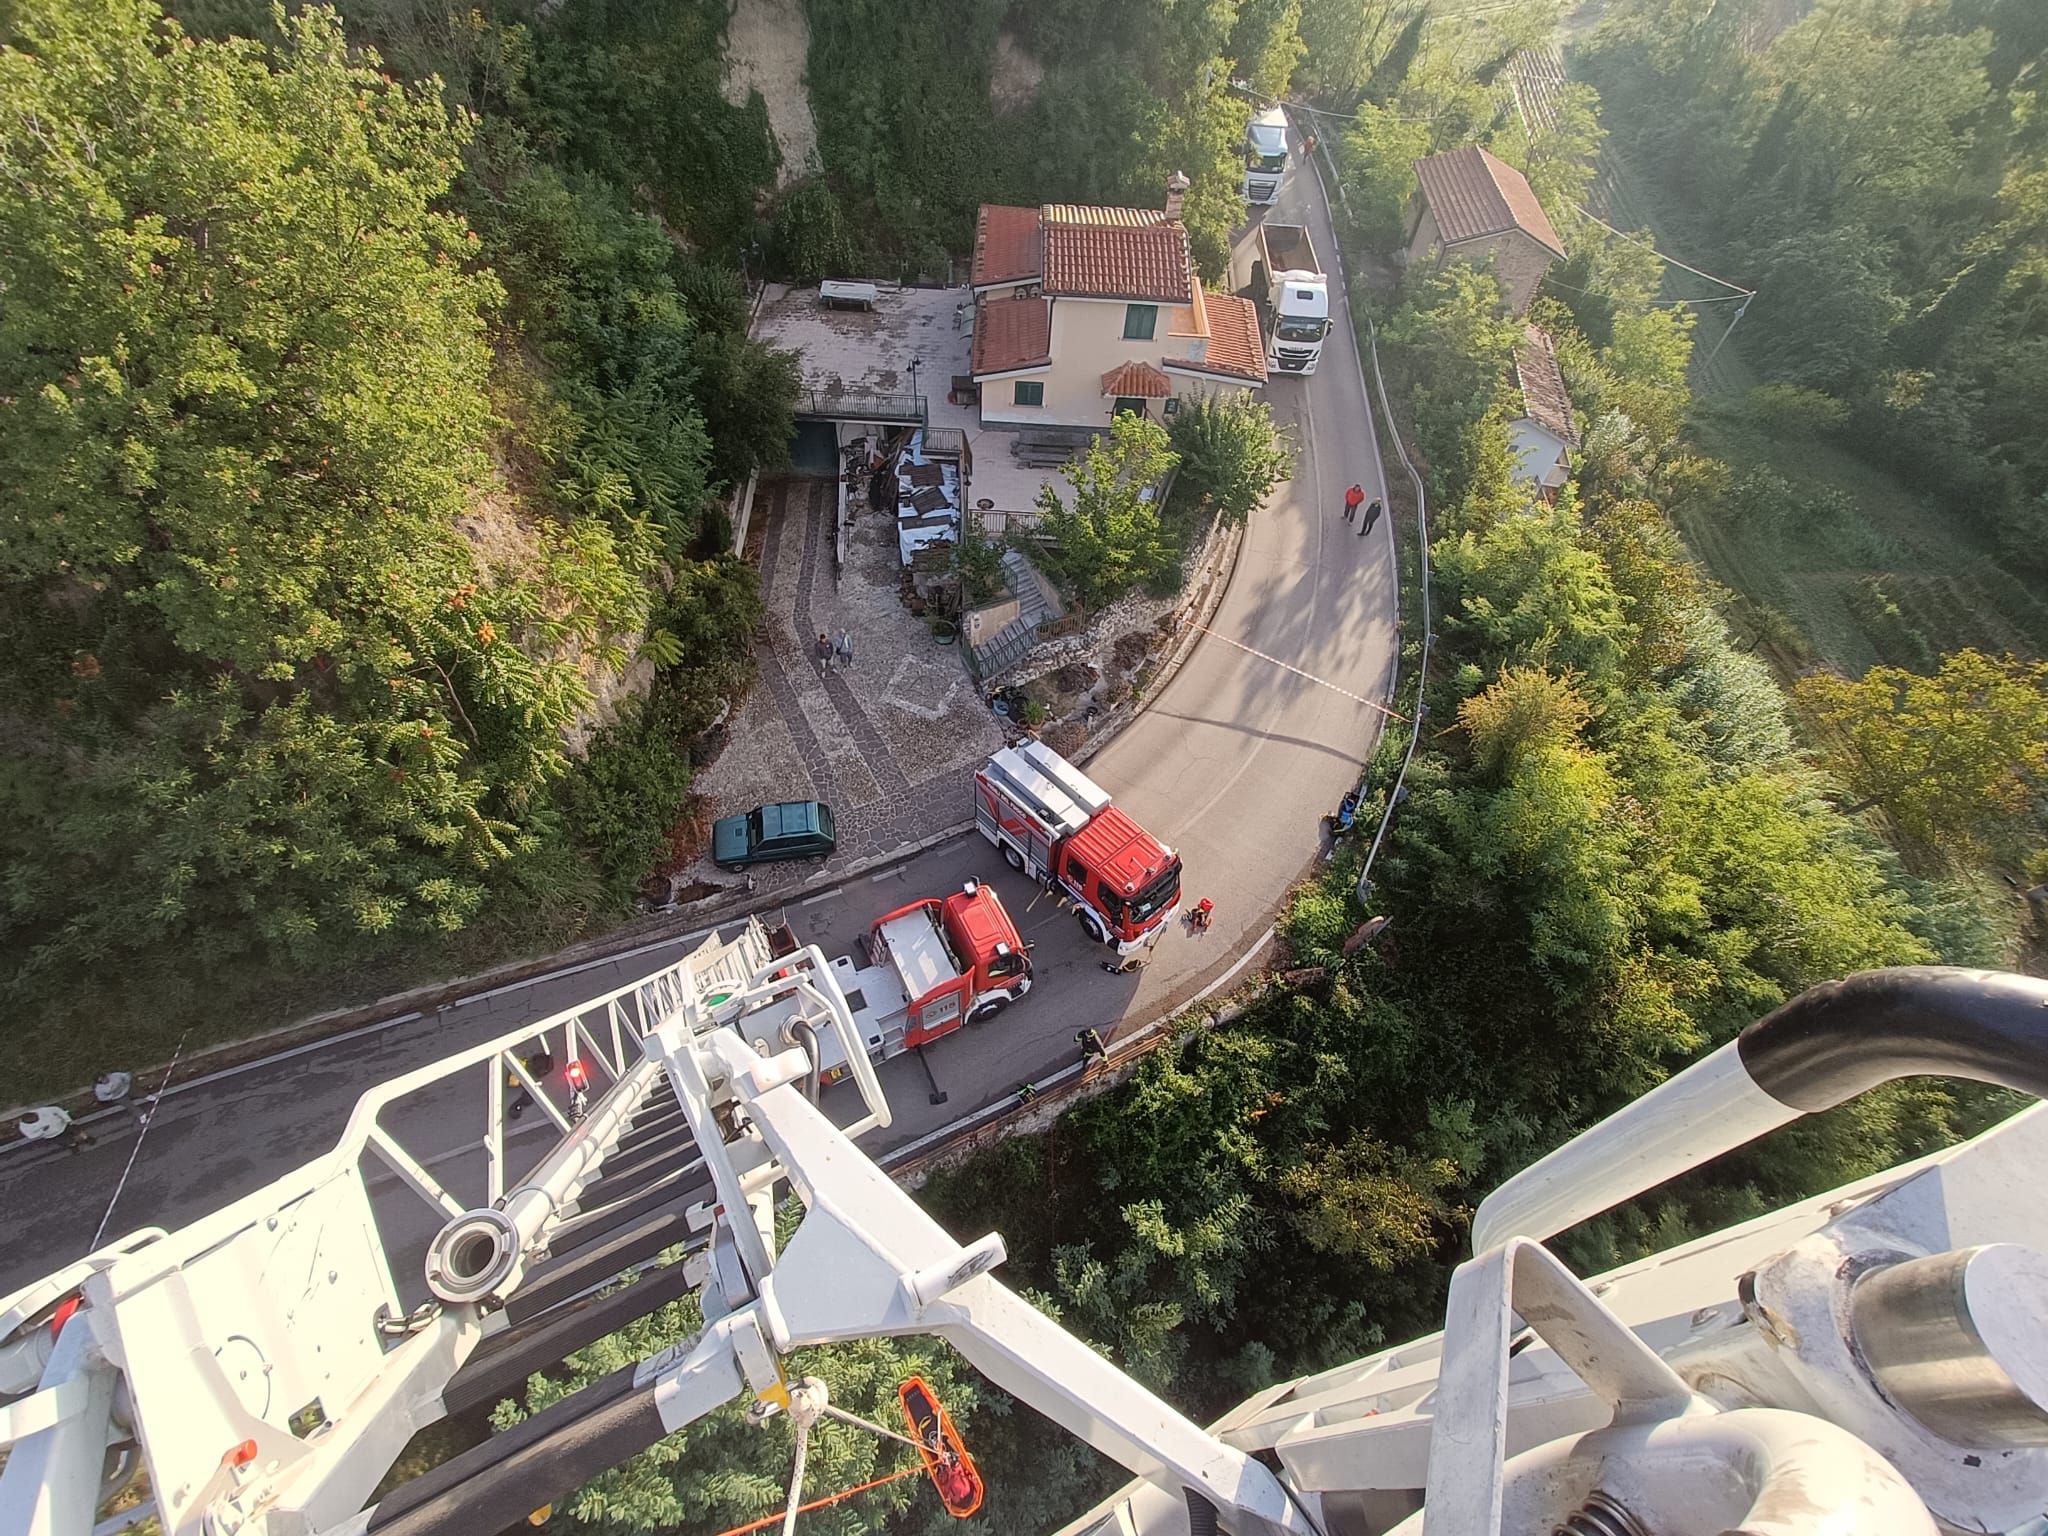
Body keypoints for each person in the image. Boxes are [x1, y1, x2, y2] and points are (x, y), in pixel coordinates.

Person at [19, 1105, 92, 1153]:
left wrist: (67, 1119)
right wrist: (42, 1131)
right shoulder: (24, 1127)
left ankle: (87, 1138)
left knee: (78, 1131)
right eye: (36, 1120)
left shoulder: (41, 1111)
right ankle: (74, 1146)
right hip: (53, 1135)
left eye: (37, 1117)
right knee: (67, 1141)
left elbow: (57, 1110)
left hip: (63, 1125)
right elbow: (31, 1136)